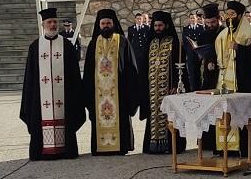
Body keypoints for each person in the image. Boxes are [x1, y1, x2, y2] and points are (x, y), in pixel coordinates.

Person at [20, 8, 85, 161]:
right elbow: (30, 76)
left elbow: (74, 74)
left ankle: (66, 150)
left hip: (65, 95)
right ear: (43, 25)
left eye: (55, 22)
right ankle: (42, 151)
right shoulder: (35, 47)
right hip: (40, 97)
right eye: (49, 22)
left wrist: (77, 95)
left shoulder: (67, 45)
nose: (53, 25)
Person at [82, 9, 139, 155]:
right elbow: (88, 71)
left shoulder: (123, 41)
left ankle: (121, 147)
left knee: (120, 117)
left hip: (119, 93)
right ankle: (101, 148)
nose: (106, 26)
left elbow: (131, 68)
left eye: (108, 23)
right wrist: (87, 93)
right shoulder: (94, 44)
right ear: (99, 25)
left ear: (113, 24)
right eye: (103, 23)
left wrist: (131, 91)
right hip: (98, 93)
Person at [206, 1, 251, 154]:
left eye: (232, 14)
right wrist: (211, 62)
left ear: (240, 16)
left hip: (241, 81)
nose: (229, 17)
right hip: (222, 81)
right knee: (222, 113)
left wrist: (239, 49)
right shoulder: (222, 35)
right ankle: (223, 147)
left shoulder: (249, 34)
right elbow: (216, 55)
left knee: (239, 113)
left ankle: (241, 148)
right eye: (227, 14)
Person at [137, 10, 187, 154]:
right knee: (154, 114)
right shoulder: (150, 43)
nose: (157, 28)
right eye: (155, 26)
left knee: (170, 115)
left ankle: (172, 146)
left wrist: (176, 84)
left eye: (160, 26)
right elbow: (143, 66)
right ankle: (153, 145)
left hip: (169, 88)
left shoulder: (174, 42)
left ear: (166, 26)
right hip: (153, 89)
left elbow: (180, 65)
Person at [182, 12, 205, 92]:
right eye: (191, 18)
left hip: (199, 54)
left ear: (196, 19)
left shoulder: (201, 27)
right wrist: (188, 53)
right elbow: (185, 43)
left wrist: (201, 53)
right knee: (192, 72)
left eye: (194, 18)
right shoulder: (186, 29)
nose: (192, 20)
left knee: (198, 71)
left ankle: (199, 88)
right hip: (190, 54)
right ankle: (193, 89)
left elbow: (203, 40)